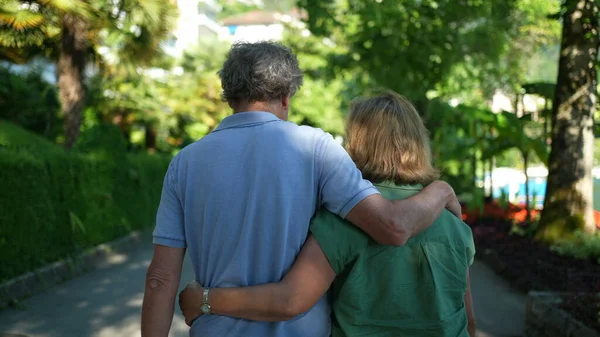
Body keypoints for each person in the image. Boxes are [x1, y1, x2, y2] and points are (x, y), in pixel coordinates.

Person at [141, 42, 462, 337]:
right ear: (286, 96)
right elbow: (392, 227)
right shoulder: (315, 149)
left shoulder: (185, 162)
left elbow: (160, 280)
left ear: (229, 96)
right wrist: (441, 191)